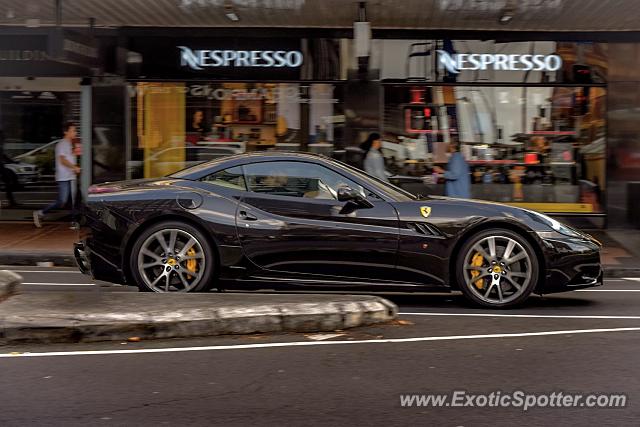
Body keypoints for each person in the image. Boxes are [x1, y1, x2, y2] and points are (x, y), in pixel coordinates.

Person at [33, 122, 80, 229]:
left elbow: (73, 158)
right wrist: (74, 167)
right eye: (73, 130)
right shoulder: (61, 144)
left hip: (71, 176)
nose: (75, 132)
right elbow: (62, 160)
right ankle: (40, 213)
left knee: (73, 200)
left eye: (75, 130)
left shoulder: (72, 144)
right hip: (63, 177)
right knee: (62, 201)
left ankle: (73, 221)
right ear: (66, 131)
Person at [0, 130, 16, 207]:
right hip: (0, 167)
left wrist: (13, 161)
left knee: (8, 181)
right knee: (8, 181)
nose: (4, 139)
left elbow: (3, 156)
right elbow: (3, 156)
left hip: (1, 166)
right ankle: (11, 201)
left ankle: (11, 201)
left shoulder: (1, 146)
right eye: (3, 137)